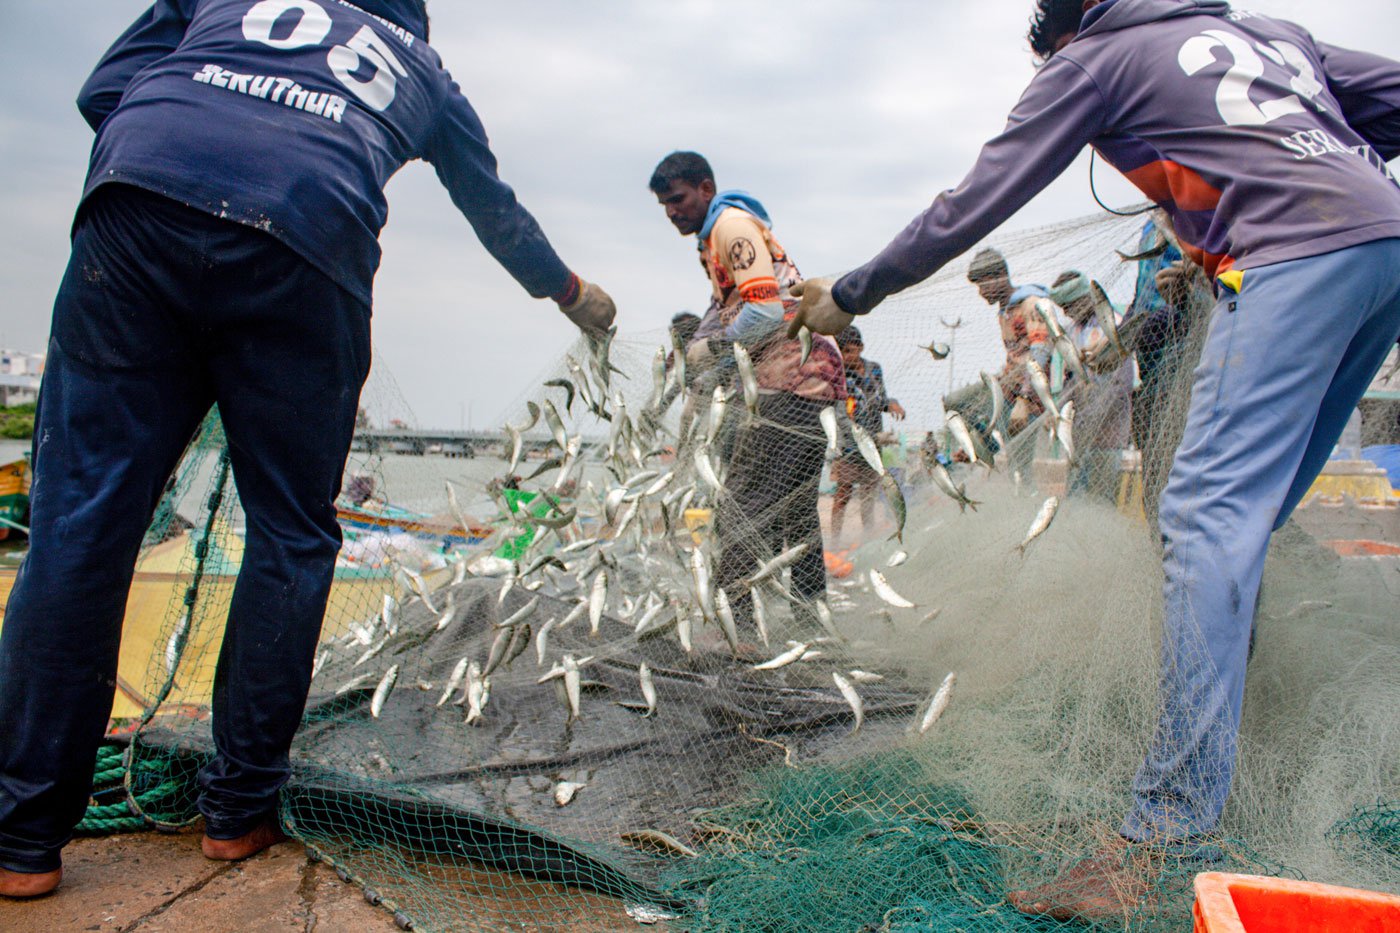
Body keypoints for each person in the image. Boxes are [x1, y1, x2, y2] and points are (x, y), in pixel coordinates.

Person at [787, 0, 1400, 920]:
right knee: (1251, 515)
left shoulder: (1094, 58)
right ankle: (1233, 719)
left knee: (1203, 520)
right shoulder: (1272, 35)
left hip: (1288, 257)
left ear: (1062, 31)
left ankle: (1161, 834)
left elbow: (973, 203)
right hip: (1381, 242)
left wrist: (850, 291)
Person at [0, 0, 615, 899]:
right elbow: (493, 209)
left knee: (80, 521)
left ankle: (21, 836)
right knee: (289, 534)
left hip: (133, 215)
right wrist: (571, 292)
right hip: (306, 242)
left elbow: (105, 90)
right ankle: (236, 811)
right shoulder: (422, 68)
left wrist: (185, 160)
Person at [649, 151, 844, 635]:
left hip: (791, 381)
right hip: (806, 383)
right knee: (798, 514)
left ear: (706, 190)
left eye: (678, 199)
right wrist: (701, 353)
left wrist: (711, 348)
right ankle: (811, 625)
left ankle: (738, 637)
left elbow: (764, 313)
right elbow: (730, 308)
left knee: (742, 508)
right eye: (664, 205)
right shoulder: (712, 240)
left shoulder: (731, 228)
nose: (673, 211)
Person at [1048, 270, 1133, 501]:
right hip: (1079, 440)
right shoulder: (1074, 332)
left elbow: (1119, 386)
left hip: (1107, 440)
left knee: (1100, 503)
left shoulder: (1112, 324)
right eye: (1063, 307)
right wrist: (1058, 412)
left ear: (1085, 297)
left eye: (1069, 305)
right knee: (1076, 504)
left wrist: (1090, 421)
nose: (1066, 312)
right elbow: (1070, 381)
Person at [830, 326, 905, 542]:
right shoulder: (840, 375)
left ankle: (868, 537)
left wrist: (893, 405)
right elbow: (840, 415)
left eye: (851, 351)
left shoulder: (875, 369)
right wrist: (859, 435)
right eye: (843, 352)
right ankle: (835, 540)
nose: (847, 357)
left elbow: (882, 400)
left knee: (868, 496)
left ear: (861, 348)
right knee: (843, 493)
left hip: (874, 446)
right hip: (849, 446)